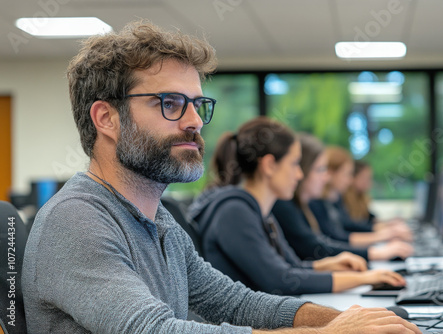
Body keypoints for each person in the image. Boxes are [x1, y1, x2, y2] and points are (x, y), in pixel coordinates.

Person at [21, 21, 421, 334]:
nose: (195, 121)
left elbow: (238, 303)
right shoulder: (75, 220)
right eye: (170, 103)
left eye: (197, 104)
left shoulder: (158, 221)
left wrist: (351, 319)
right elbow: (154, 330)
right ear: (106, 118)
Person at [189, 117, 405, 296]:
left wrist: (330, 264)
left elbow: (290, 267)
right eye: (294, 164)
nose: (299, 174)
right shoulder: (233, 212)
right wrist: (362, 278)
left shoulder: (260, 213)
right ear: (269, 165)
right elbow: (281, 279)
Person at [272, 134, 413, 261]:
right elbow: (316, 247)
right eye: (320, 170)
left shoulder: (301, 204)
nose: (325, 178)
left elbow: (337, 234)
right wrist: (376, 251)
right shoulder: (287, 205)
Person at [310, 147, 413, 248]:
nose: (350, 180)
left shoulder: (333, 200)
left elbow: (349, 226)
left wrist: (386, 229)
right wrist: (383, 236)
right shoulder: (318, 203)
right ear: (331, 172)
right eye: (347, 174)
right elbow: (339, 236)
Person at [343, 160, 410, 228]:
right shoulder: (343, 200)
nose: (370, 183)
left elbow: (369, 219)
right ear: (353, 178)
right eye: (366, 178)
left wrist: (388, 224)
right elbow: (353, 226)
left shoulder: (361, 199)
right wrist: (382, 228)